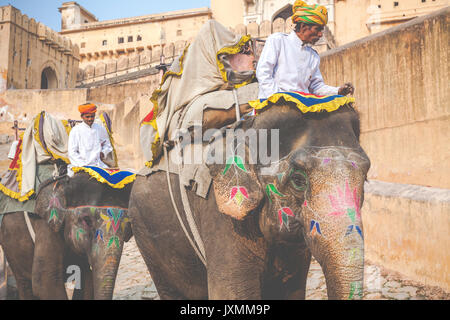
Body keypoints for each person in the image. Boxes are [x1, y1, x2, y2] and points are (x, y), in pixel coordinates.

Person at [256, 0, 354, 100]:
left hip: (302, 106)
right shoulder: (278, 41)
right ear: (303, 27)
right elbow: (263, 73)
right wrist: (279, 99)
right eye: (317, 29)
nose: (320, 34)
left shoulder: (313, 55)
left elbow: (316, 87)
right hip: (272, 102)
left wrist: (337, 91)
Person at [68, 103, 113, 176]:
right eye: (87, 117)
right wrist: (84, 166)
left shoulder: (100, 128)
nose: (90, 119)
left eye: (92, 116)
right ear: (82, 116)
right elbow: (72, 153)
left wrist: (103, 153)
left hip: (99, 165)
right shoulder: (75, 131)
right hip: (81, 166)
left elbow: (107, 145)